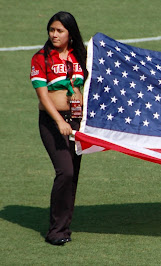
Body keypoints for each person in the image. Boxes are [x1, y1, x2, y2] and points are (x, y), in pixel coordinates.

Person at [30, 11, 87, 245]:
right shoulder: (41, 58)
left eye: (59, 31)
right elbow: (43, 96)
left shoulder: (80, 56)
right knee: (65, 171)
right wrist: (59, 121)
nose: (54, 34)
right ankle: (55, 231)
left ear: (70, 34)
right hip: (53, 122)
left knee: (72, 177)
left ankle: (64, 229)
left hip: (76, 120)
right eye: (51, 30)